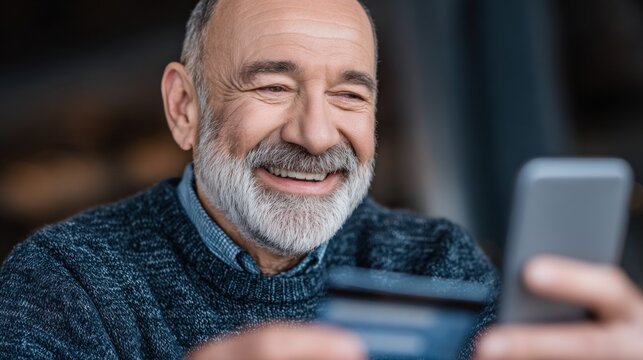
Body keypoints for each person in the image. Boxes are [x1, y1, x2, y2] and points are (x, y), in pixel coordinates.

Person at [0, 0, 641, 359]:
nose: (315, 134)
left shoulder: (436, 263)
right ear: (184, 108)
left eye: (349, 96)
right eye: (273, 86)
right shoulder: (64, 284)